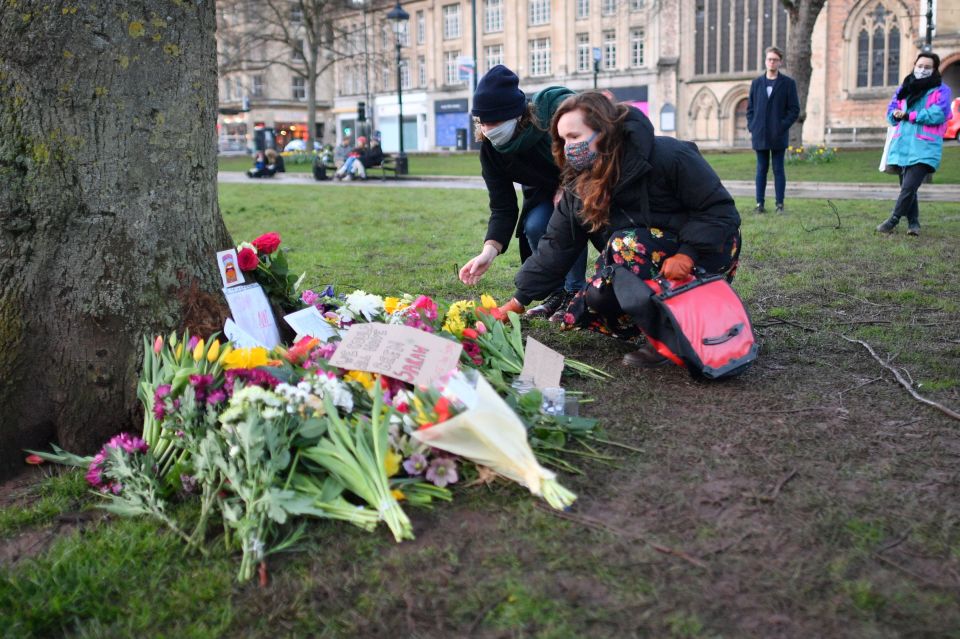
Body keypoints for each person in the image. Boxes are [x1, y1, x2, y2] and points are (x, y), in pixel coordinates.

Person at [494, 91, 742, 368]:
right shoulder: (579, 186)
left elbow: (720, 210)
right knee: (598, 296)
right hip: (643, 256)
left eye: (574, 137)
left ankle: (668, 336)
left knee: (624, 244)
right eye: (562, 140)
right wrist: (518, 301)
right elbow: (557, 245)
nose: (567, 147)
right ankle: (660, 319)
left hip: (706, 250)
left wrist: (688, 253)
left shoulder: (670, 155)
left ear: (604, 130)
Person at [458, 65, 587, 321]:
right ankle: (557, 293)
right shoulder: (491, 150)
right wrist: (489, 250)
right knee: (536, 224)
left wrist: (567, 185)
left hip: (581, 180)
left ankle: (577, 294)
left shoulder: (550, 121)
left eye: (493, 121)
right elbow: (503, 206)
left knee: (568, 221)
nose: (487, 129)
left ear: (516, 115)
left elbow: (586, 150)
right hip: (542, 191)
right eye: (481, 122)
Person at [876, 52, 953, 237]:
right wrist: (893, 115)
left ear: (934, 70)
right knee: (908, 188)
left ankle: (892, 220)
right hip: (902, 145)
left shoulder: (942, 90)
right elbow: (891, 109)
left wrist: (910, 116)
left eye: (927, 67)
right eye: (920, 66)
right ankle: (914, 223)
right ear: (914, 65)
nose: (922, 70)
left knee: (909, 186)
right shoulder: (905, 88)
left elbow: (939, 113)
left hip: (926, 146)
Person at [746, 46, 800, 214]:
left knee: (778, 170)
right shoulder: (756, 83)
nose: (772, 62)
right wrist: (752, 126)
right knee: (761, 169)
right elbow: (750, 109)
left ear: (780, 62)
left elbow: (794, 110)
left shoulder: (788, 83)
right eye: (769, 59)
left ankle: (779, 204)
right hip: (760, 134)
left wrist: (781, 126)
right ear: (765, 61)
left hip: (778, 135)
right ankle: (759, 204)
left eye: (775, 60)